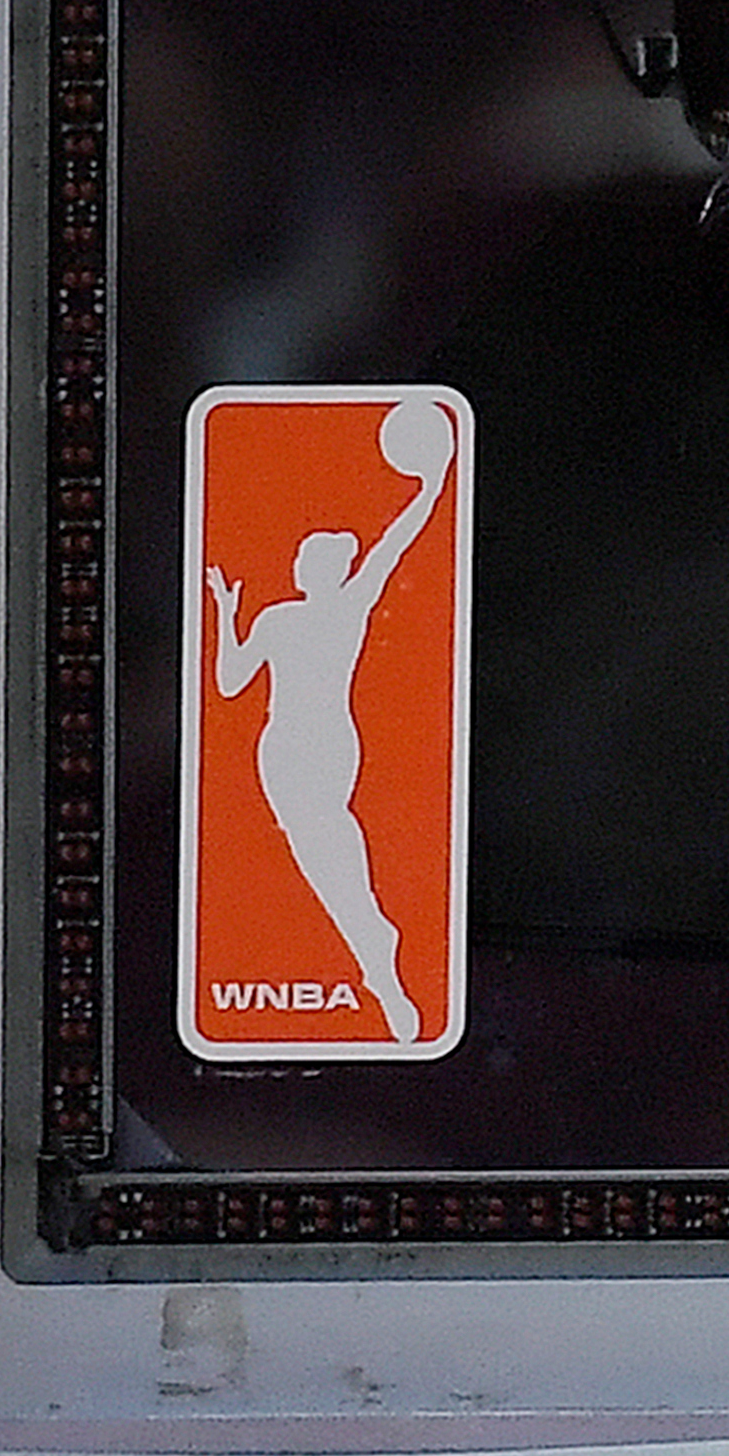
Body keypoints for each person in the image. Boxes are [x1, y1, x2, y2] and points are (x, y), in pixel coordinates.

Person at [203, 401, 453, 1042]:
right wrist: (226, 613)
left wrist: (434, 483)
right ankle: (375, 944)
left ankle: (377, 953)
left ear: (327, 570)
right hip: (283, 748)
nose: (308, 566)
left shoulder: (344, 610)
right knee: (321, 850)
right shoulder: (289, 617)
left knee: (327, 848)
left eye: (319, 560)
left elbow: (395, 546)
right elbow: (229, 684)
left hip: (316, 746)